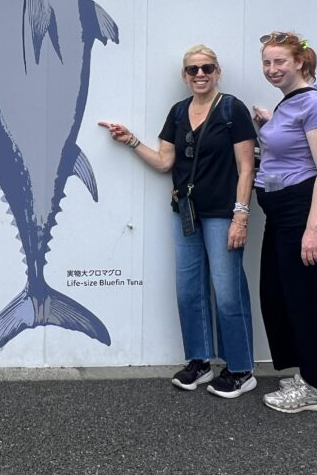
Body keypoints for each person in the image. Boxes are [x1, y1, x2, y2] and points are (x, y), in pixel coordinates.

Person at [99, 44, 257, 399]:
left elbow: (247, 167)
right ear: (184, 76)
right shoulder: (178, 111)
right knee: (189, 290)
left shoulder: (233, 110)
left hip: (223, 214)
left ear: (218, 72)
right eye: (192, 70)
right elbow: (164, 162)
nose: (200, 75)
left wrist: (241, 215)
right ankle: (200, 361)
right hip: (185, 211)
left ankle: (241, 368)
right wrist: (131, 141)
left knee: (228, 291)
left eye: (207, 68)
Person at [252, 30, 317, 413]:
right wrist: (271, 121)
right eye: (267, 62)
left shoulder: (316, 106)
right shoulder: (290, 105)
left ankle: (314, 390)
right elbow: (292, 149)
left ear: (301, 63)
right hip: (283, 214)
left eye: (280, 62)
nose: (272, 69)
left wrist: (312, 229)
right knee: (279, 295)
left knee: (302, 299)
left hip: (304, 215)